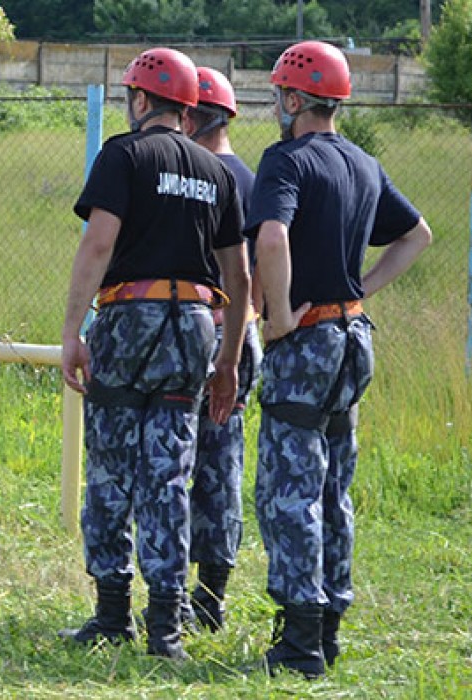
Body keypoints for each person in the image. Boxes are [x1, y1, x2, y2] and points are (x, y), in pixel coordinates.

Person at [57, 47, 250, 660]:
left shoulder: (124, 154)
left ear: (141, 102)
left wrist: (71, 329)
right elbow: (239, 274)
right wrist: (229, 358)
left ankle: (113, 612)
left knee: (112, 467)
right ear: (189, 108)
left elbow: (98, 244)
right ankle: (166, 627)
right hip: (196, 324)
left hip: (129, 318)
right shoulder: (216, 171)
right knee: (171, 472)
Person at [249, 40, 431, 678]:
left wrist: (278, 314)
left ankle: (298, 642)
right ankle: (327, 629)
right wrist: (361, 292)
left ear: (295, 99)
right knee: (333, 490)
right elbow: (417, 235)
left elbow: (272, 236)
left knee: (288, 492)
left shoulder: (286, 160)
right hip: (354, 341)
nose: (276, 104)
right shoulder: (363, 163)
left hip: (308, 343)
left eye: (279, 94)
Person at [179, 65, 261, 632]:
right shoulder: (253, 180)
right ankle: (213, 595)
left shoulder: (194, 181)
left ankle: (173, 595)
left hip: (195, 329)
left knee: (174, 460)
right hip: (244, 331)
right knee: (222, 464)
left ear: (194, 116)